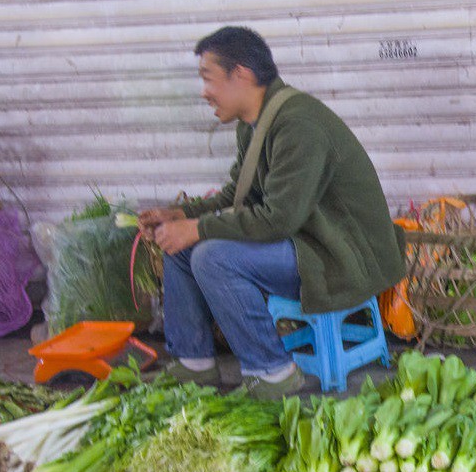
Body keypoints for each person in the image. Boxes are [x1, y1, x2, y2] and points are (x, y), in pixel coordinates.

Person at [139, 26, 406, 400]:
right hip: (305, 241)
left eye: (208, 78)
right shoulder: (255, 124)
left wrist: (198, 228)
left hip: (341, 254)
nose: (204, 92)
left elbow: (279, 218)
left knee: (212, 256)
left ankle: (273, 371)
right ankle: (194, 361)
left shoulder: (298, 124)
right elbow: (240, 194)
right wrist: (180, 214)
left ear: (241, 74)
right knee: (180, 245)